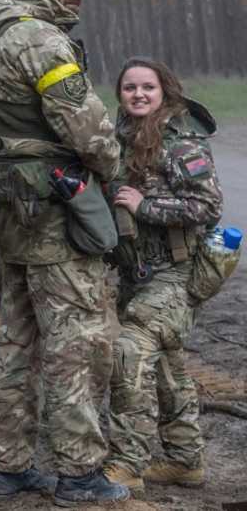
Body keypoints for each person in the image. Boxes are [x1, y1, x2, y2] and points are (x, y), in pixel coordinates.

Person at [0, 0, 129, 505]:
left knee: (17, 343)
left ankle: (8, 469)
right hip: (54, 213)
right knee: (77, 343)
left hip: (12, 209)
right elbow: (88, 129)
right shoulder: (37, 37)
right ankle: (79, 475)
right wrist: (112, 165)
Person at [103, 58, 223, 493]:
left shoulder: (182, 141)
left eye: (147, 87)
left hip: (177, 273)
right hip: (137, 275)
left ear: (164, 91)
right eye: (130, 87)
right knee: (169, 368)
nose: (138, 94)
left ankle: (127, 464)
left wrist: (144, 207)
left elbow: (208, 207)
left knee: (129, 351)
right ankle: (185, 461)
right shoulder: (121, 137)